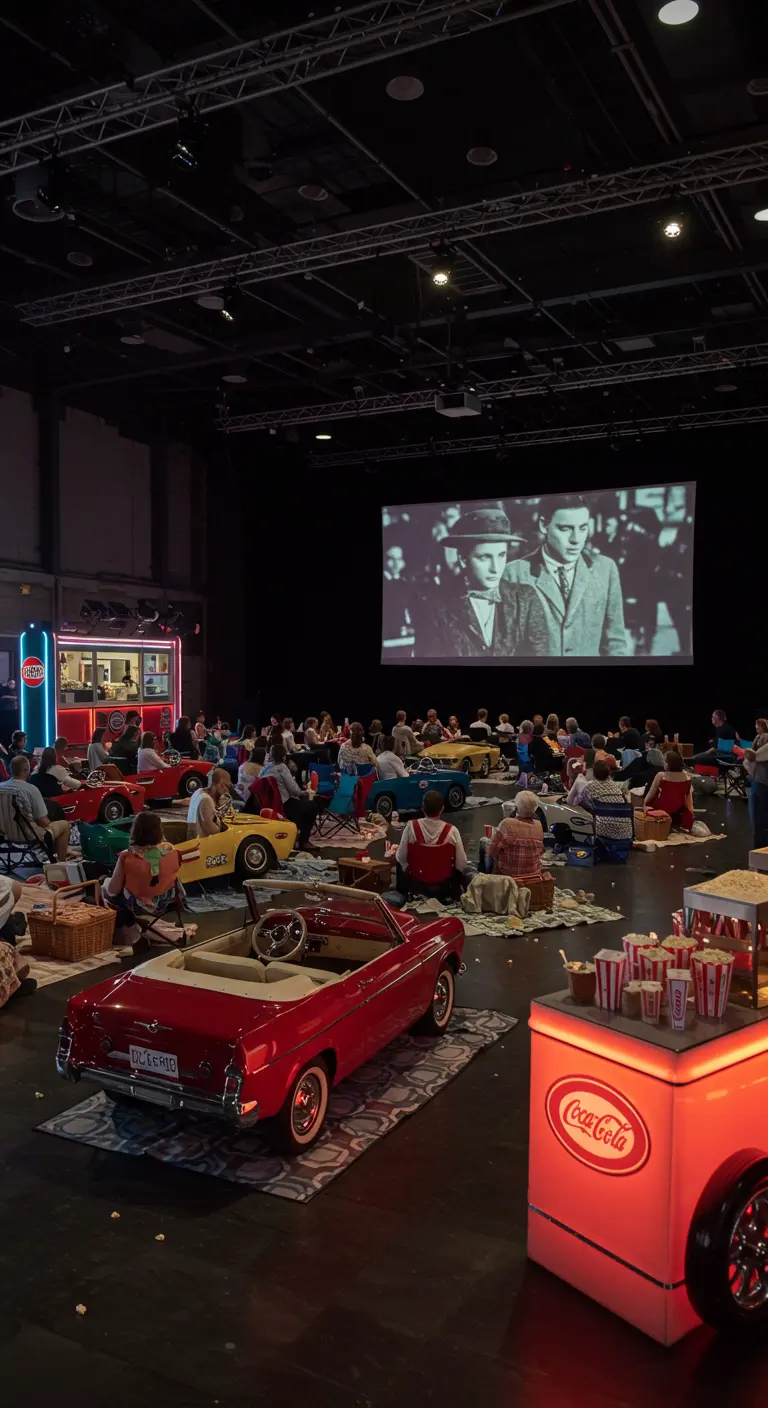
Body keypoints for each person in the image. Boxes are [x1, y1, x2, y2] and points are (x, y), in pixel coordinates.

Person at [504, 493, 627, 657]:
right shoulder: (514, 574)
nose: (576, 539)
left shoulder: (605, 569)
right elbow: (506, 649)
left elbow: (615, 644)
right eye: (565, 528)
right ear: (543, 525)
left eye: (583, 528)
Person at [421, 508, 549, 659]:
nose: (496, 568)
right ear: (463, 559)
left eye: (501, 556)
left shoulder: (525, 599)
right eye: (485, 557)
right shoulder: (438, 609)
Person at [103, 809, 182, 947]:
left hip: (138, 907)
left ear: (135, 830)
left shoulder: (127, 856)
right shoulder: (171, 851)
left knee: (104, 887)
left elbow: (112, 891)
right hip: (166, 902)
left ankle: (121, 933)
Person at [396, 789, 471, 897]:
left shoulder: (411, 827)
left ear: (423, 808)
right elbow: (461, 864)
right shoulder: (452, 831)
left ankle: (402, 897)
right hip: (444, 888)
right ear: (442, 809)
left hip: (417, 885)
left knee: (399, 864)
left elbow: (401, 857)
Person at [0, 755, 71, 859]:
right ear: (26, 770)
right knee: (64, 825)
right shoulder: (31, 790)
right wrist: (53, 828)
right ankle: (61, 862)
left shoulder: (1, 787)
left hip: (3, 834)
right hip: (28, 835)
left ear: (11, 769)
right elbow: (42, 821)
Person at [261, 743, 317, 848]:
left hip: (270, 804)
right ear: (283, 756)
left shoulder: (265, 768)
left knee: (304, 803)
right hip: (284, 805)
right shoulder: (282, 767)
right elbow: (293, 790)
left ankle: (296, 835)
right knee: (312, 806)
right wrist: (305, 791)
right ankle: (303, 840)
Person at [488, 790, 544, 878]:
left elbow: (491, 852)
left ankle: (486, 879)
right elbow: (540, 852)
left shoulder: (507, 823)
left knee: (484, 844)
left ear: (517, 808)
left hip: (508, 876)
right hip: (532, 875)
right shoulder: (539, 826)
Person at [581, 760, 632, 841]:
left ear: (594, 773)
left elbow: (583, 802)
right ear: (609, 773)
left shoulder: (589, 787)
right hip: (625, 832)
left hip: (602, 831)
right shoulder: (616, 787)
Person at [644, 751, 694, 831]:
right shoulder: (687, 778)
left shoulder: (661, 776)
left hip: (659, 810)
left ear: (668, 763)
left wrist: (644, 807)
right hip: (676, 811)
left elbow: (650, 796)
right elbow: (689, 803)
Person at [744, 720, 768, 849]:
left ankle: (759, 856)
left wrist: (749, 755)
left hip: (761, 781)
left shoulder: (763, 738)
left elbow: (753, 756)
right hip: (761, 780)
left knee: (759, 823)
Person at [190, 767, 234, 838]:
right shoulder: (206, 800)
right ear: (221, 783)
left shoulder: (198, 791)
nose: (227, 791)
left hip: (194, 840)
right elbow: (211, 830)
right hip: (200, 845)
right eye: (227, 786)